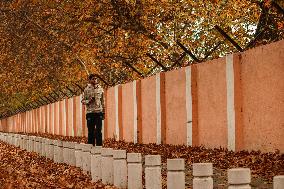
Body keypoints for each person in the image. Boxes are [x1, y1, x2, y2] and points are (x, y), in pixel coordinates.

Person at [81, 74, 104, 146]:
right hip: (90, 112)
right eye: (93, 79)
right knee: (91, 131)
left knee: (98, 130)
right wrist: (89, 101)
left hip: (98, 112)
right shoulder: (86, 89)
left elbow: (103, 101)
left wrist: (103, 112)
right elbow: (82, 101)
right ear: (90, 80)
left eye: (96, 79)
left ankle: (99, 147)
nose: (95, 80)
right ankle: (90, 146)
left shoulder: (100, 89)